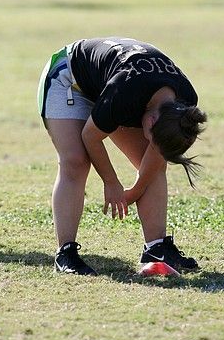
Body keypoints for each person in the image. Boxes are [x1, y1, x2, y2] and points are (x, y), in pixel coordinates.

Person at [37, 37, 207, 275]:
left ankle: (156, 248)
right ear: (150, 119)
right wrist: (112, 182)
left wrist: (136, 190)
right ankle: (65, 254)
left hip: (112, 87)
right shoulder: (126, 91)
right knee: (75, 161)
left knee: (155, 166)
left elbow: (157, 154)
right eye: (151, 137)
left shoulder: (185, 103)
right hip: (68, 78)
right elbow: (90, 136)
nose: (151, 144)